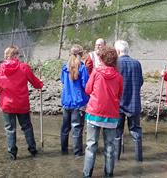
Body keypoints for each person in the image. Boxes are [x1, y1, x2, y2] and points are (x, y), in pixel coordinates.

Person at [0, 45, 43, 160]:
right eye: (18, 54)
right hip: (22, 104)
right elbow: (36, 83)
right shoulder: (24, 67)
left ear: (6, 56)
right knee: (27, 127)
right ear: (15, 55)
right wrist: (40, 84)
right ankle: (32, 150)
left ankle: (12, 154)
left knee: (10, 129)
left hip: (7, 104)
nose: (19, 56)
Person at [83, 46, 123, 178]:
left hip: (94, 112)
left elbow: (88, 90)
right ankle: (109, 173)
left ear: (102, 58)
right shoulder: (118, 76)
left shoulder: (96, 72)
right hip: (111, 115)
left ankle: (87, 174)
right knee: (110, 147)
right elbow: (119, 94)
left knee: (91, 146)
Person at [114, 40, 144, 162]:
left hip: (118, 104)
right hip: (134, 103)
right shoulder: (137, 63)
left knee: (117, 134)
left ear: (117, 51)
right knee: (136, 133)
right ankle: (139, 160)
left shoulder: (116, 64)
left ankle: (116, 160)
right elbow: (140, 82)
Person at [60, 44, 89, 157]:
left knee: (65, 127)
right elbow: (85, 85)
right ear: (81, 55)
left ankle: (64, 150)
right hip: (78, 102)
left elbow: (63, 81)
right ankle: (77, 153)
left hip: (67, 101)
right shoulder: (82, 68)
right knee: (77, 128)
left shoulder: (64, 67)